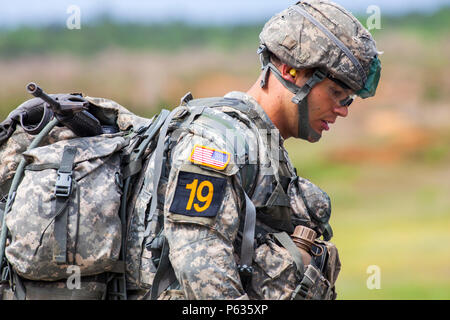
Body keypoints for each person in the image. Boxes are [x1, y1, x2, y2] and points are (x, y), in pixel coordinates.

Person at [148, 0, 382, 300]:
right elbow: (203, 277)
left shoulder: (265, 145)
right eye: (336, 93)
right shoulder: (215, 147)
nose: (342, 110)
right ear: (290, 70)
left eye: (348, 99)